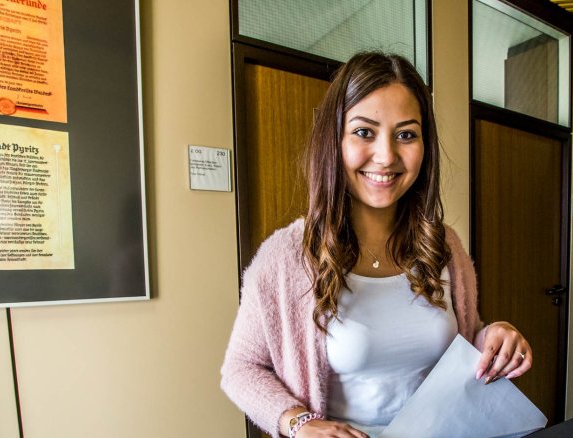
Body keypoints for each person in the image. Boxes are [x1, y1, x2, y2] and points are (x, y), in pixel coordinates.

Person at [221, 52, 533, 438]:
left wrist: (494, 337)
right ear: (334, 140)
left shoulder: (444, 245)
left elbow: (466, 340)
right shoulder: (285, 257)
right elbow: (240, 369)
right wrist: (299, 423)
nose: (386, 156)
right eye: (364, 132)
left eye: (406, 134)